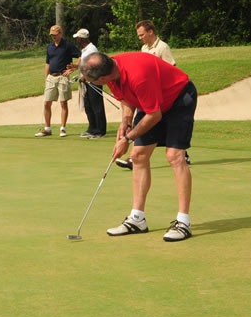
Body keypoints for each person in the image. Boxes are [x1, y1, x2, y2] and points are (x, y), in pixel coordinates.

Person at [80, 51, 197, 242]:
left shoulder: (137, 75)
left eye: (93, 81)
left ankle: (183, 222)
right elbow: (126, 98)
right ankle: (137, 219)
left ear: (103, 77)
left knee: (175, 156)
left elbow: (154, 115)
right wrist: (125, 122)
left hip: (178, 98)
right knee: (139, 155)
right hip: (152, 101)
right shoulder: (110, 70)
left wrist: (127, 138)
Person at [116, 20, 190, 168]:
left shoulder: (162, 47)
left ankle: (183, 154)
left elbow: (172, 70)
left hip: (160, 93)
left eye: (142, 34)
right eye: (138, 35)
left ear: (150, 32)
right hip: (145, 92)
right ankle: (133, 158)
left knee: (162, 125)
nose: (140, 38)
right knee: (140, 123)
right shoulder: (144, 48)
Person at [36, 25, 82, 137]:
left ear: (60, 34)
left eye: (55, 35)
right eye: (52, 35)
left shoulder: (67, 45)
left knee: (63, 103)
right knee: (47, 103)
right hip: (51, 77)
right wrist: (46, 78)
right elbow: (48, 63)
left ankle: (63, 128)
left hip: (62, 76)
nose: (54, 37)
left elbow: (81, 55)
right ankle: (47, 129)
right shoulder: (50, 47)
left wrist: (74, 67)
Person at [71, 28, 105, 139]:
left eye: (77, 38)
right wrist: (78, 71)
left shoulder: (91, 49)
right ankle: (92, 128)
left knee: (97, 106)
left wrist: (85, 77)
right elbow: (84, 65)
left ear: (81, 39)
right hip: (87, 81)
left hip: (94, 81)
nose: (76, 40)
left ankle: (100, 130)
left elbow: (93, 66)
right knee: (88, 105)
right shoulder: (85, 49)